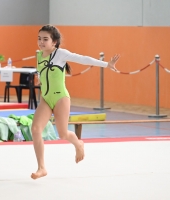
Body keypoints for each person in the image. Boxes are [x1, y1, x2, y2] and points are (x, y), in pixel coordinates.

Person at [31, 24, 120, 180]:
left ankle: (78, 144)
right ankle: (42, 167)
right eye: (39, 39)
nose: (41, 42)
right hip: (46, 98)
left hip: (60, 98)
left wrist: (107, 64)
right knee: (36, 129)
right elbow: (43, 72)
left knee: (63, 133)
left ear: (55, 42)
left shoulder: (60, 54)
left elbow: (83, 59)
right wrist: (40, 79)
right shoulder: (39, 55)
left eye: (45, 39)